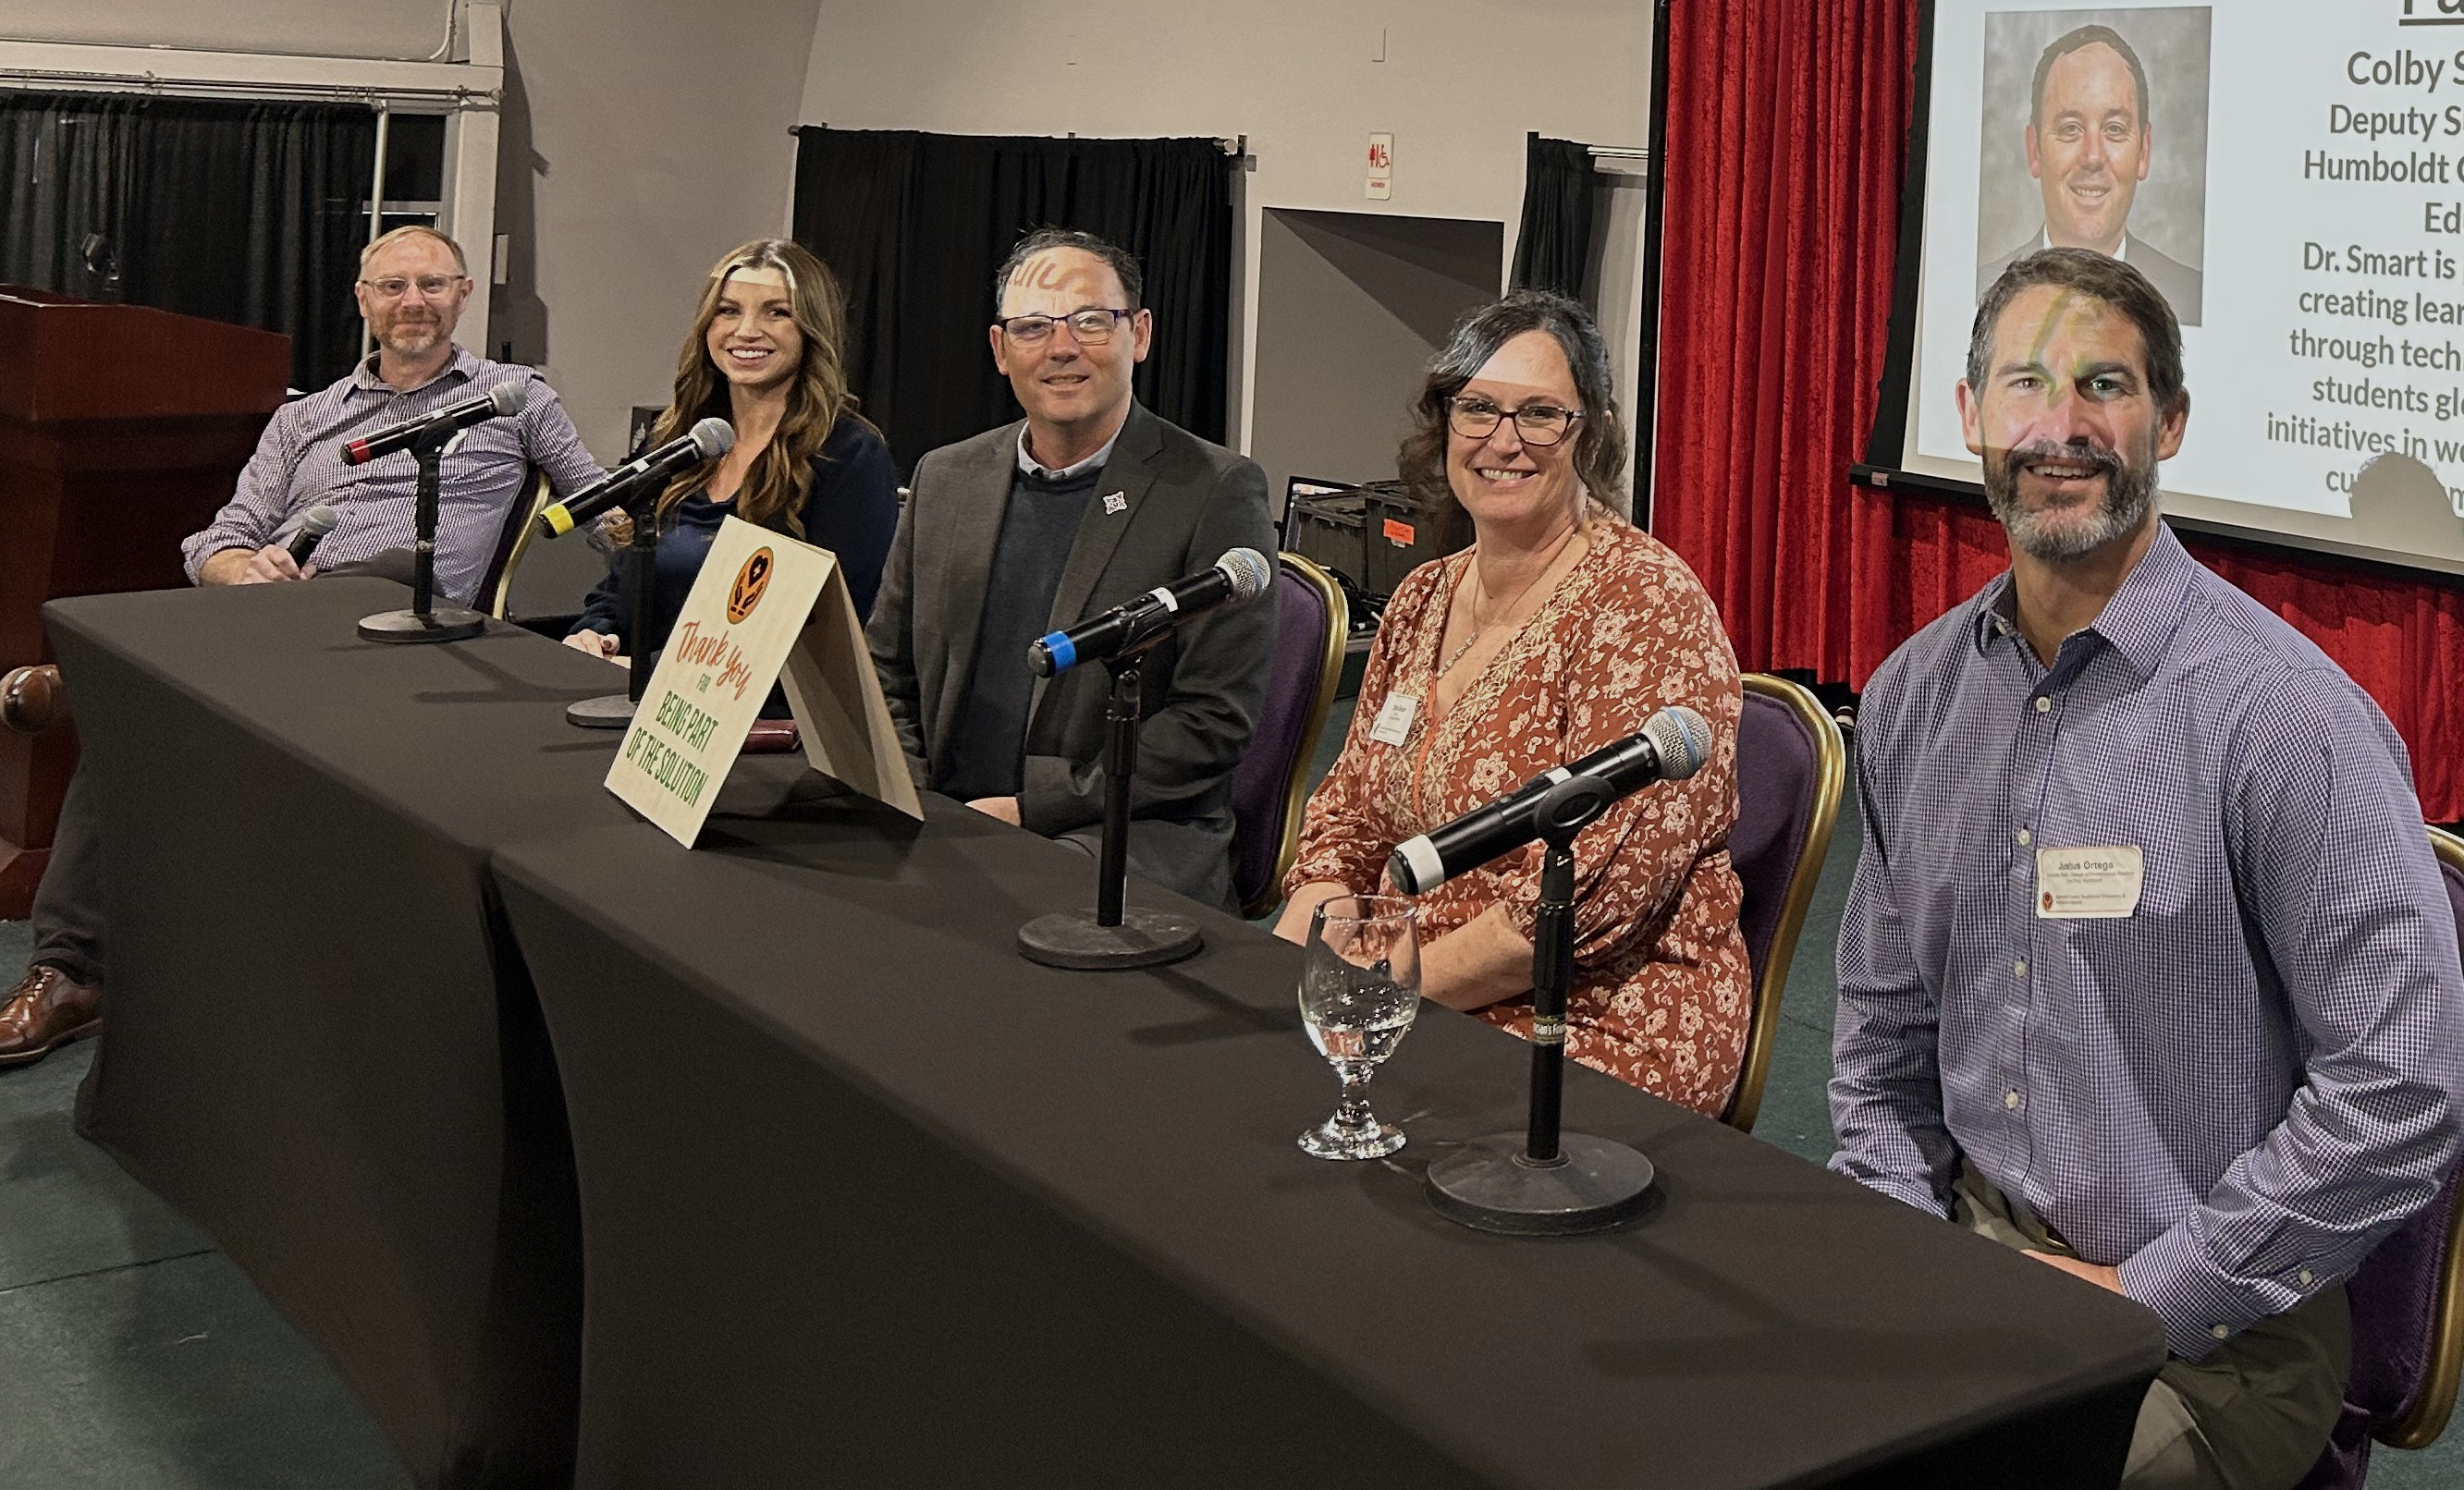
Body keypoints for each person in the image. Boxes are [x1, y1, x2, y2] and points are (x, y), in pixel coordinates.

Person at [1829, 248, 2464, 1490]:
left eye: (2105, 387)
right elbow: (1878, 1032)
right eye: (2025, 384)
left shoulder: (2283, 716)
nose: (2058, 429)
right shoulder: (1917, 694)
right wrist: (1903, 1258)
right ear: (1967, 415)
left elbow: (2404, 1087)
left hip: (2209, 1341)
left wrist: (2146, 1294)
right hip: (1967, 1259)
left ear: (2168, 422)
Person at [0, 223, 606, 1067]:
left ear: (465, 294)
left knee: (384, 568)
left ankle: (86, 677)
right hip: (272, 619)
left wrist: (642, 583)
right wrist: (245, 570)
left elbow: (602, 506)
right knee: (127, 719)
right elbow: (216, 536)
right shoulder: (309, 418)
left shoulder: (514, 397)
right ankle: (70, 973)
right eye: (392, 286)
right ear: (363, 302)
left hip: (413, 631)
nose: (412, 302)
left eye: (432, 284)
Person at [1277, 290, 1750, 1117]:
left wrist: (1381, 990)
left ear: (1591, 431)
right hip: (1409, 984)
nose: (1504, 442)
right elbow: (1348, 815)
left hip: (1591, 1017)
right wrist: (1302, 957)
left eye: (1540, 415)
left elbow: (1595, 895)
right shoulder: (1424, 594)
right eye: (1478, 409)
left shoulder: (1645, 605)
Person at [868, 228, 1273, 910]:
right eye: (1032, 327)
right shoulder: (946, 476)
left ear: (1139, 334)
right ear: (1000, 350)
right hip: (944, 810)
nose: (1062, 348)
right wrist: (911, 797)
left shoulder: (1212, 489)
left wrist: (1031, 808)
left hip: (1121, 829)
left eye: (1091, 321)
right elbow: (885, 665)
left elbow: (1212, 720)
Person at [563, 239, 899, 663]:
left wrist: (647, 671)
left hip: (763, 716)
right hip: (637, 695)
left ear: (813, 328)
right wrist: (598, 630)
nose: (746, 331)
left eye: (777, 312)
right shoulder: (676, 440)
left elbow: (820, 636)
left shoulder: (848, 456)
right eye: (728, 310)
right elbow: (623, 585)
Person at [1980, 24, 2203, 322]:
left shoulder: (2190, 298)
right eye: (2070, 128)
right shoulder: (1982, 293)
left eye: (2114, 129)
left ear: (2144, 152)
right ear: (2034, 150)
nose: (2093, 157)